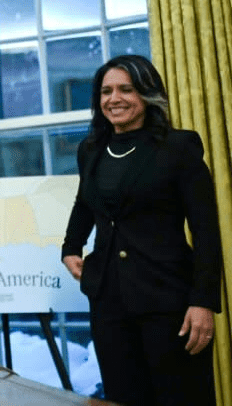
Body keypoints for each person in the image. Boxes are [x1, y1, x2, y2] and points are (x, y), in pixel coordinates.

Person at [61, 55, 221, 405]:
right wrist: (70, 247)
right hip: (109, 302)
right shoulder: (90, 150)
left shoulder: (178, 148)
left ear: (147, 95)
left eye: (125, 89)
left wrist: (203, 302)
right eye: (105, 91)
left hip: (169, 301)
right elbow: (85, 203)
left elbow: (206, 231)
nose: (113, 98)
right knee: (124, 398)